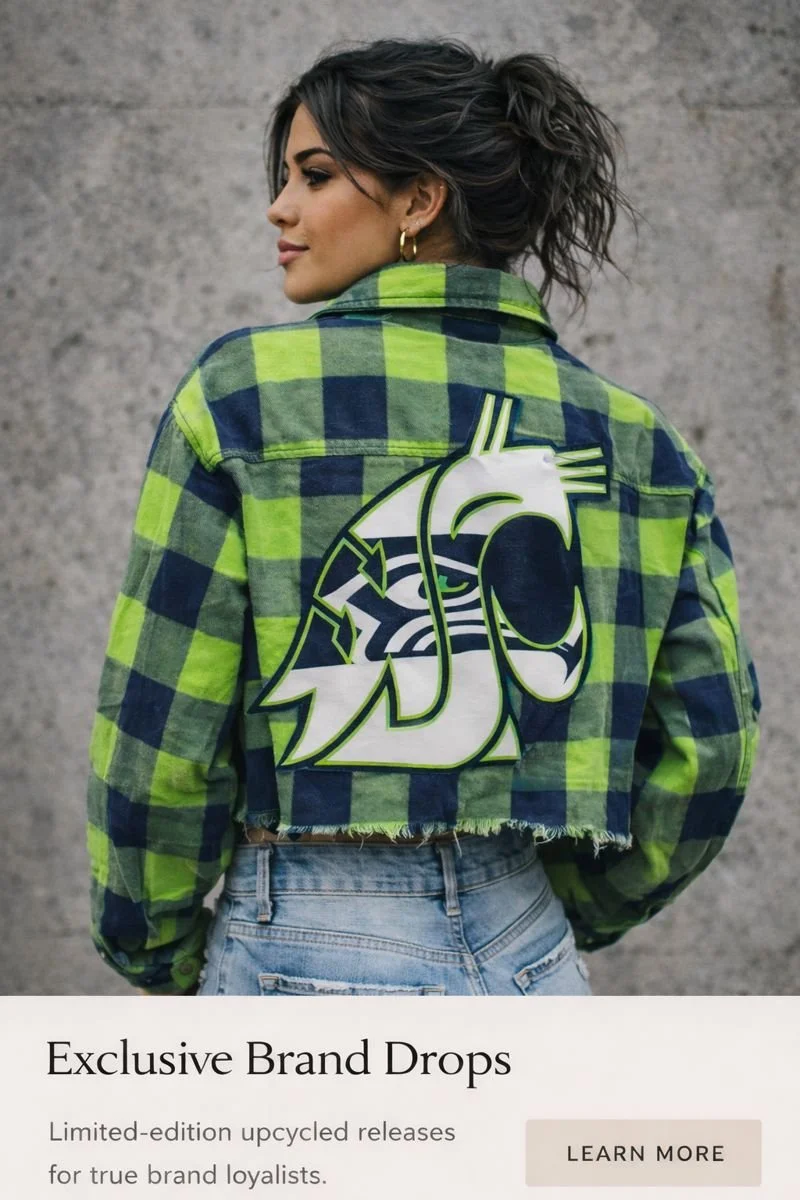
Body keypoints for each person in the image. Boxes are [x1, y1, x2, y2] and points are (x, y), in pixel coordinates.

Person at [87, 37, 760, 997]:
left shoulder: (241, 399)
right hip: (529, 948)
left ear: (420, 200)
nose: (279, 207)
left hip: (302, 944)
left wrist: (150, 941)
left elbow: (161, 725)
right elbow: (713, 741)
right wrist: (555, 902)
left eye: (314, 175)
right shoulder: (636, 440)